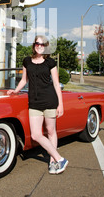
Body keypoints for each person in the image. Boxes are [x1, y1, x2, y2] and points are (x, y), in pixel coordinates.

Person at [7, 36, 68, 174]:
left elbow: (56, 84)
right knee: (35, 135)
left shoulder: (50, 62)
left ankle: (53, 162)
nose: (39, 46)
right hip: (34, 102)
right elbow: (24, 80)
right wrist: (15, 91)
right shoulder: (27, 61)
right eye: (37, 43)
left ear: (45, 46)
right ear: (34, 45)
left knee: (51, 132)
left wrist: (60, 104)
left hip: (49, 100)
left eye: (42, 44)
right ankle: (60, 158)